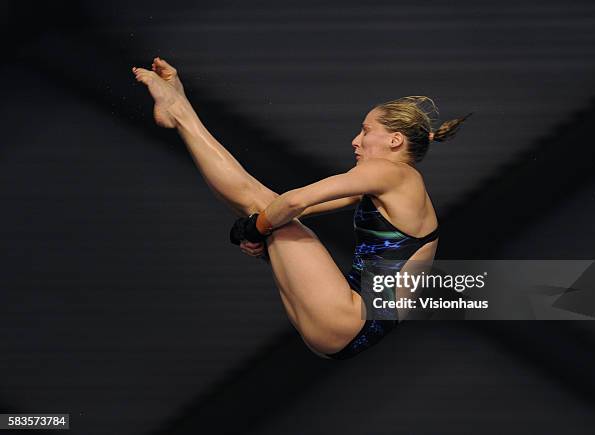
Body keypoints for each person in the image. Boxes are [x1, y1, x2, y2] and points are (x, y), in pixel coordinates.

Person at [132, 57, 471, 359]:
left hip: (350, 317)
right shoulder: (398, 187)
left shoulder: (392, 172)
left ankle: (178, 110)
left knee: (260, 204)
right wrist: (262, 230)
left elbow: (295, 201)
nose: (356, 140)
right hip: (349, 327)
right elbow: (283, 208)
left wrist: (257, 227)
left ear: (395, 140)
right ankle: (180, 110)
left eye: (366, 131)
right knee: (260, 202)